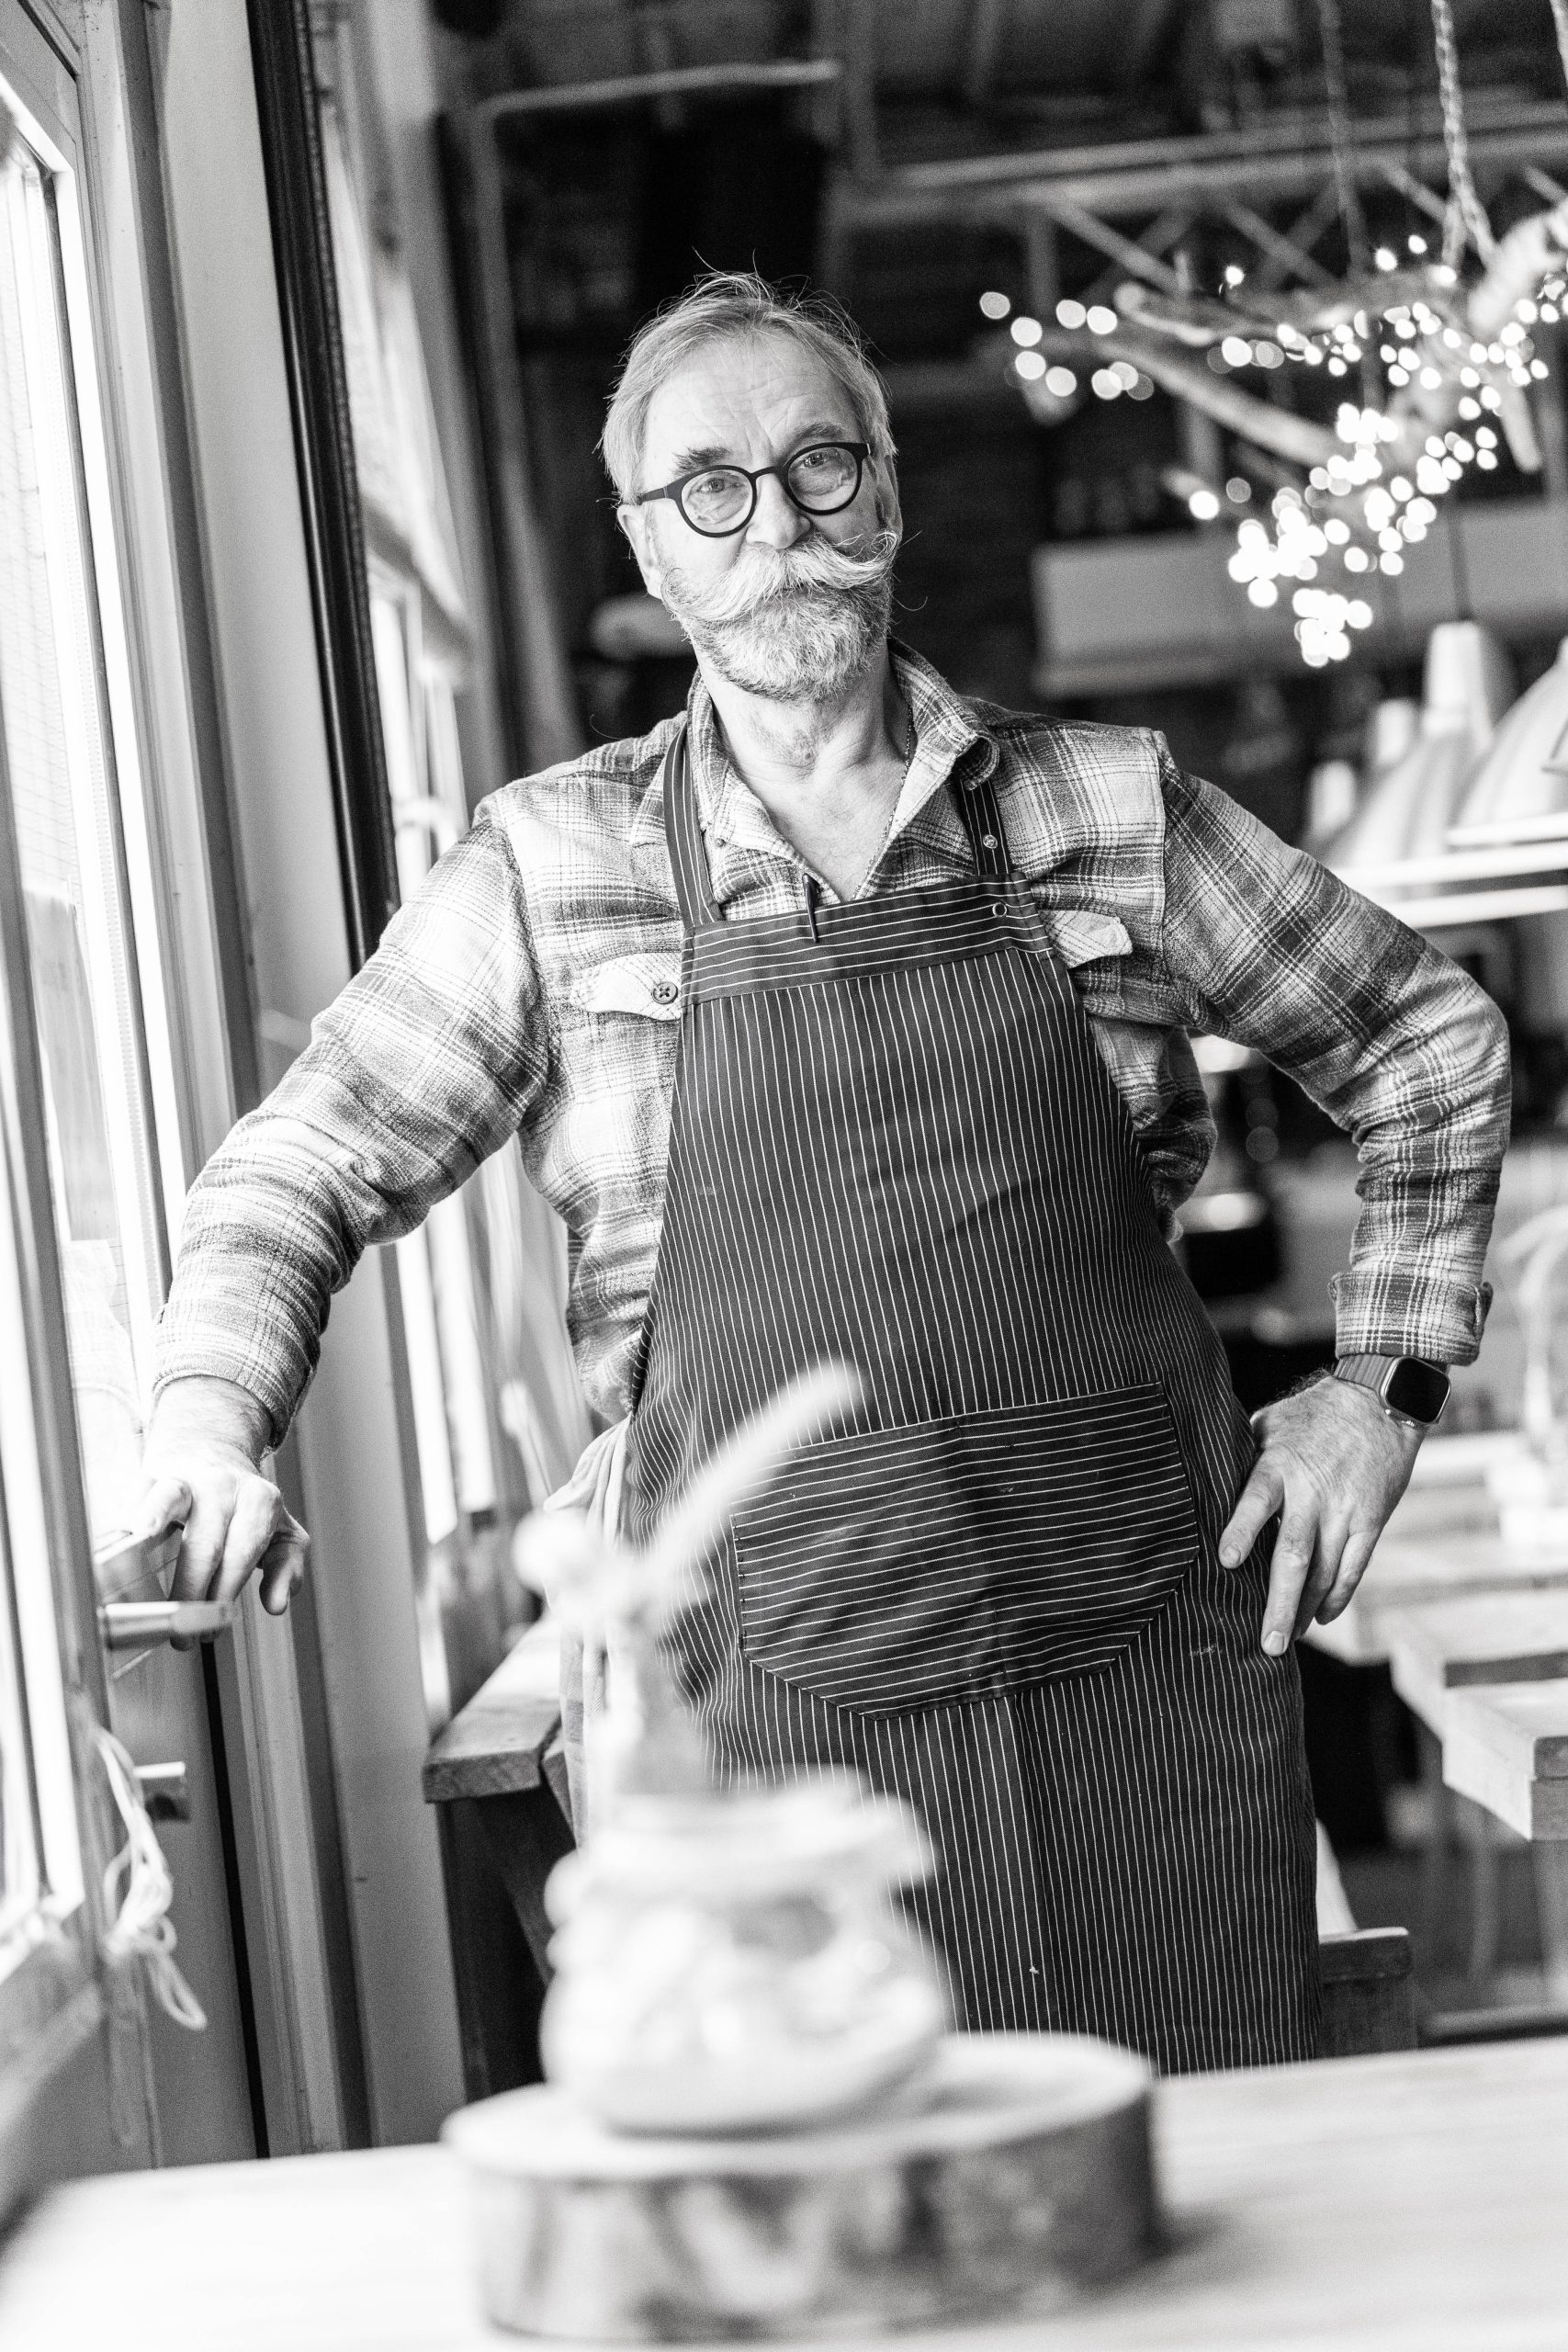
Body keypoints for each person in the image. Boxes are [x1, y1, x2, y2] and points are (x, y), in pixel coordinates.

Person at [142, 272, 1509, 2073]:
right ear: (650, 546)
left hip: (1148, 1667)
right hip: (756, 1717)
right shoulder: (553, 869)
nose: (775, 524)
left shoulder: (1103, 807)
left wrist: (1376, 1391)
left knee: (1203, 2162)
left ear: (885, 492)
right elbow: (300, 1165)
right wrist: (203, 1426)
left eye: (817, 463)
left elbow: (1423, 1036)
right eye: (710, 487)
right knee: (846, 2172)